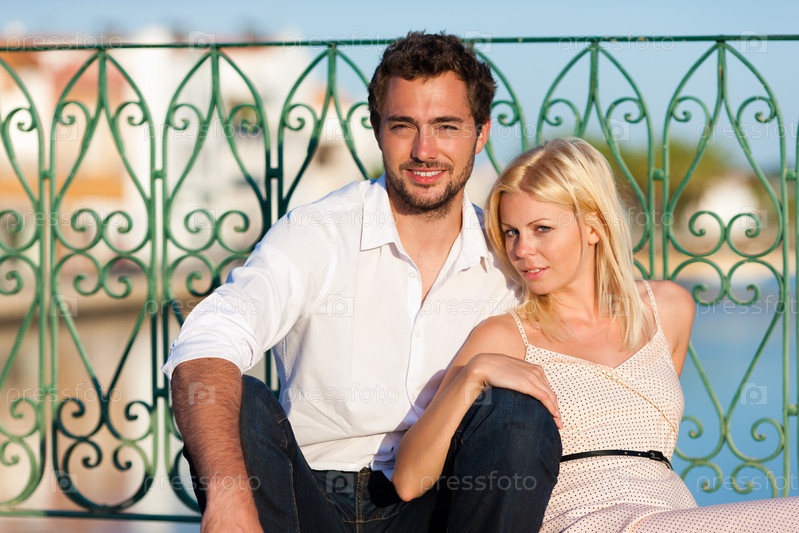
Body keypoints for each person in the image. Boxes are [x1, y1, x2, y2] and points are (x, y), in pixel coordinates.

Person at [163, 32, 561, 532]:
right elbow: (206, 342)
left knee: (518, 416)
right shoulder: (318, 233)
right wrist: (227, 496)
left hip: (439, 499)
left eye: (446, 126)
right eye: (403, 126)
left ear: (481, 134)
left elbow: (596, 313)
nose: (424, 150)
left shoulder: (511, 256)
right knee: (238, 400)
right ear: (376, 130)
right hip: (309, 496)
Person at [393, 137, 799, 532]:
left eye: (541, 228)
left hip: (669, 513)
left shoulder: (668, 310)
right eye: (511, 232)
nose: (521, 250)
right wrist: (473, 374)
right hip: (580, 518)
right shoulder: (505, 335)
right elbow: (409, 479)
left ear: (594, 227)